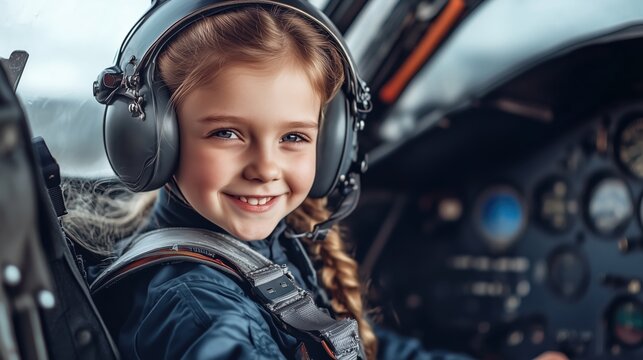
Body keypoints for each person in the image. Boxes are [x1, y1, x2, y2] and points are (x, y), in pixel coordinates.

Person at [64, 1, 568, 359]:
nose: (265, 167)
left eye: (294, 138)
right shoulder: (196, 306)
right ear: (152, 140)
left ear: (331, 147)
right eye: (227, 132)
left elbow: (370, 348)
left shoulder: (255, 250)